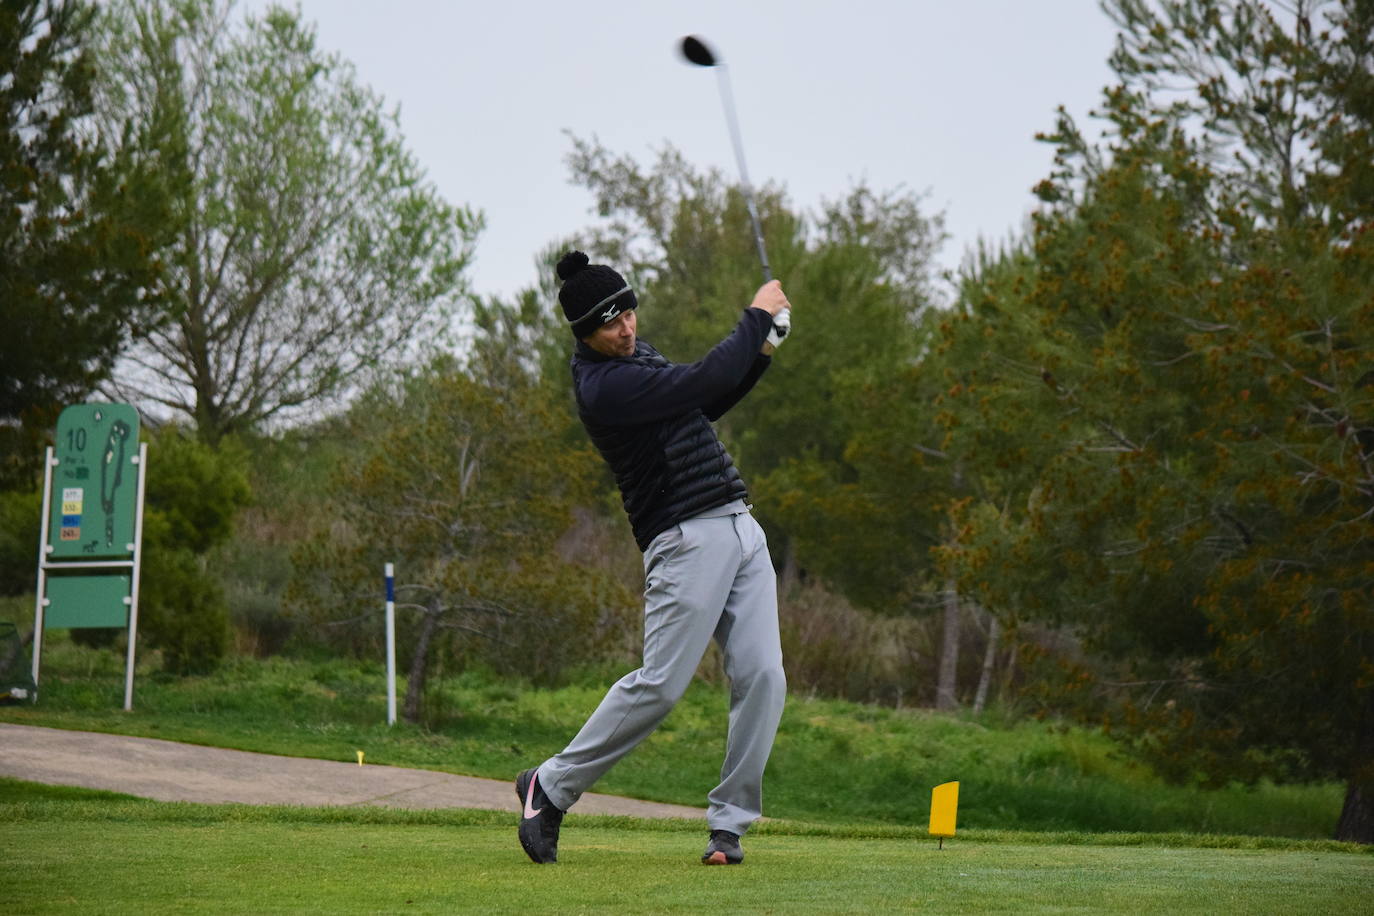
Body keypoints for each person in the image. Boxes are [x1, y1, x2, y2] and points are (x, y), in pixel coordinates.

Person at [516, 250, 792, 866]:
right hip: (684, 538)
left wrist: (762, 350)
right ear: (584, 333)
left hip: (740, 526)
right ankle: (551, 786)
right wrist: (754, 316)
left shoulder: (633, 357)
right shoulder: (603, 385)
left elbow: (703, 403)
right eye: (610, 323)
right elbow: (699, 381)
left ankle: (729, 827)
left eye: (629, 312)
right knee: (661, 685)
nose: (626, 328)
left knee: (764, 676)